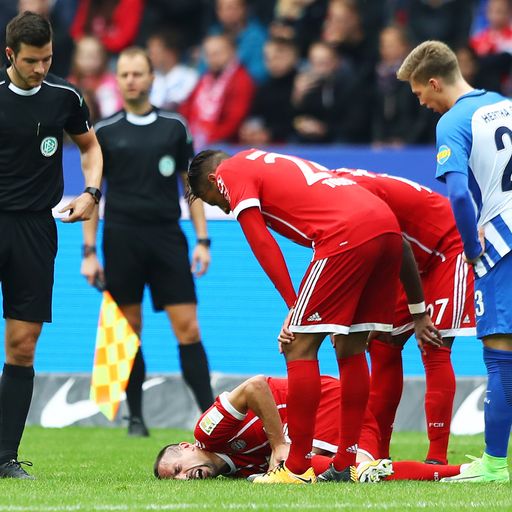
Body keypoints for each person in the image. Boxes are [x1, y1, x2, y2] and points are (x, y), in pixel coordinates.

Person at [186, 148, 440, 484]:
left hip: (345, 236)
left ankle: (294, 468)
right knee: (350, 347)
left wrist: (293, 307)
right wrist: (419, 311)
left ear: (212, 180)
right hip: (388, 230)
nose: (227, 206)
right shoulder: (268, 160)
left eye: (218, 202)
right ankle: (346, 461)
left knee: (297, 346)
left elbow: (260, 240)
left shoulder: (230, 172)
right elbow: (402, 245)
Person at [81, 47, 214, 437]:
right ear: (117, 80)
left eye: (138, 73)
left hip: (167, 238)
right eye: (124, 74)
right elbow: (93, 194)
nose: (132, 80)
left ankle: (211, 417)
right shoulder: (103, 131)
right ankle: (135, 417)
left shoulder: (175, 127)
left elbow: (193, 189)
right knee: (129, 331)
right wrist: (88, 252)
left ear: (152, 78)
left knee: (188, 328)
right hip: (120, 237)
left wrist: (203, 240)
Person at [397, 39, 512, 483]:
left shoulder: (453, 122)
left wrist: (471, 246)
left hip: (502, 244)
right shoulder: (502, 104)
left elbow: (460, 194)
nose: (421, 102)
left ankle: (494, 465)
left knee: (501, 357)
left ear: (432, 82)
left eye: (418, 93)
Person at [0, 11, 102, 479]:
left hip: (36, 230)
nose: (40, 69)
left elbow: (90, 148)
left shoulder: (66, 97)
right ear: (9, 56)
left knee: (23, 344)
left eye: (47, 59)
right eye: (31, 61)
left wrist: (90, 193)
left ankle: (4, 458)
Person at [331, 168, 475, 465]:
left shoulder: (351, 195)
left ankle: (436, 457)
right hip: (406, 260)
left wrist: (419, 314)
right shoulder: (331, 191)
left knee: (433, 343)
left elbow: (395, 245)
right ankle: (379, 453)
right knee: (382, 342)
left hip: (446, 248)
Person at [153, 374, 464, 482]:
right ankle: (463, 473)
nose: (184, 477)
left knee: (294, 466)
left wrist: (279, 445)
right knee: (366, 473)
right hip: (340, 415)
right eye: (177, 478)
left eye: (179, 467)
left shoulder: (207, 433)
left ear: (187, 447)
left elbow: (256, 386)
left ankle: (455, 470)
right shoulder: (238, 470)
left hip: (325, 402)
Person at [179, 35, 255, 148]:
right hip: (196, 139)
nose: (212, 59)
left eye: (217, 53)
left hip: (223, 145)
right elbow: (186, 108)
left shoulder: (241, 80)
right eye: (208, 54)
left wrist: (205, 141)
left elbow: (233, 122)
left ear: (232, 52)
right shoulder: (205, 78)